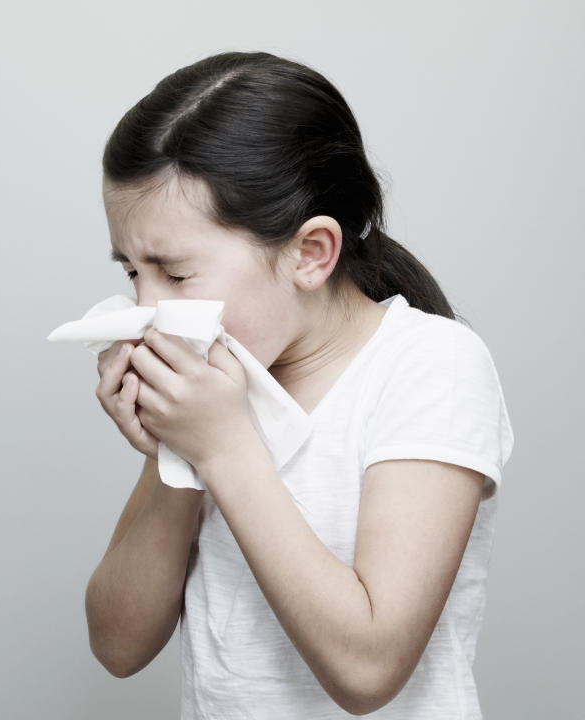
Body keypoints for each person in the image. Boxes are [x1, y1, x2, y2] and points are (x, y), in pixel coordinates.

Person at [83, 51, 514, 718]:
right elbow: (117, 644)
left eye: (175, 273)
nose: (146, 305)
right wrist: (176, 460)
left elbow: (368, 671)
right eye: (132, 273)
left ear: (310, 253)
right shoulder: (214, 383)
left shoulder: (431, 366)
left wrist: (223, 448)